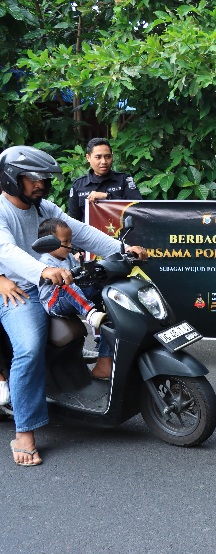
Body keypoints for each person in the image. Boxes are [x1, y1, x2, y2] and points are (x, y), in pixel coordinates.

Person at [0, 145, 148, 466]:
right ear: (12, 178)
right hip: (19, 290)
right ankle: (24, 432)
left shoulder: (44, 208)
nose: (41, 184)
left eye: (44, 179)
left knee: (110, 295)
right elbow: (6, 250)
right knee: (29, 348)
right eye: (33, 179)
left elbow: (80, 232)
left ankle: (104, 363)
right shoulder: (1, 211)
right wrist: (42, 270)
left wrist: (123, 249)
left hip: (54, 282)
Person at [35, 218, 115, 378]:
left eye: (70, 241)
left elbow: (80, 273)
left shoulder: (69, 257)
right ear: (48, 244)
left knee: (100, 288)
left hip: (73, 297)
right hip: (55, 302)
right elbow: (65, 282)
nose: (70, 245)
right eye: (65, 242)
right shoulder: (45, 261)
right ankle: (90, 314)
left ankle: (103, 341)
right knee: (65, 284)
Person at [67, 138, 142, 222]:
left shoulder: (124, 180)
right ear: (88, 158)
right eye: (98, 157)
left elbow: (139, 209)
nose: (104, 161)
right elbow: (73, 221)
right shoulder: (78, 185)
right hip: (90, 230)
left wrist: (108, 197)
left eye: (107, 157)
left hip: (121, 229)